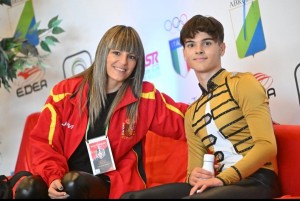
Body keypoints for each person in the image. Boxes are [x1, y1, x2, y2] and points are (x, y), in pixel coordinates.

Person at [15, 25, 188, 199]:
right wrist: (53, 177)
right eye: (117, 53)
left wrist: (213, 107)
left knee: (73, 183)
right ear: (104, 53)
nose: (123, 62)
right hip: (62, 175)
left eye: (131, 57)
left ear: (138, 62)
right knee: (28, 188)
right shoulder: (66, 93)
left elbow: (186, 120)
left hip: (107, 183)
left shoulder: (144, 98)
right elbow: (44, 142)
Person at [120, 14, 281, 199]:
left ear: (221, 48)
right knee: (131, 198)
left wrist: (222, 179)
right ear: (185, 54)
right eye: (191, 45)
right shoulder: (193, 112)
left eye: (207, 43)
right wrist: (195, 176)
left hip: (258, 180)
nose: (198, 50)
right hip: (220, 184)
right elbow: (192, 174)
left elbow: (267, 146)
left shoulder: (243, 83)